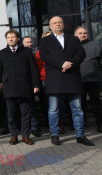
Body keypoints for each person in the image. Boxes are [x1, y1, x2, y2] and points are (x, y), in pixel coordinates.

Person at [39, 16, 94, 146]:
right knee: (53, 109)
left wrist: (71, 64)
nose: (58, 24)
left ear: (63, 24)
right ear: (50, 26)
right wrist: (61, 64)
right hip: (55, 79)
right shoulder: (45, 41)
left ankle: (80, 135)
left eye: (60, 22)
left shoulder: (73, 39)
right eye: (55, 23)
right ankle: (55, 134)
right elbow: (44, 56)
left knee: (77, 109)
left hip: (72, 77)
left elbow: (81, 54)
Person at [0, 29, 40, 145]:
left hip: (25, 86)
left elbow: (33, 69)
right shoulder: (2, 53)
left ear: (18, 38)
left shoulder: (27, 52)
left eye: (13, 37)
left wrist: (35, 84)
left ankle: (25, 136)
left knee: (26, 113)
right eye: (8, 37)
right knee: (11, 114)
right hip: (9, 87)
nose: (10, 39)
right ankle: (13, 135)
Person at [74, 26, 102, 133]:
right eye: (80, 33)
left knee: (96, 102)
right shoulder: (72, 46)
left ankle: (100, 125)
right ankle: (82, 125)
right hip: (78, 80)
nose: (83, 35)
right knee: (80, 104)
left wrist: (95, 69)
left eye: (85, 33)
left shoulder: (95, 45)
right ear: (75, 35)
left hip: (93, 79)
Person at [22, 36, 42, 137]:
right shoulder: (23, 53)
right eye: (27, 42)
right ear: (23, 44)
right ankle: (33, 127)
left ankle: (37, 126)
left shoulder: (37, 52)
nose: (30, 44)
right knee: (30, 106)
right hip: (28, 83)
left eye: (31, 42)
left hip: (39, 81)